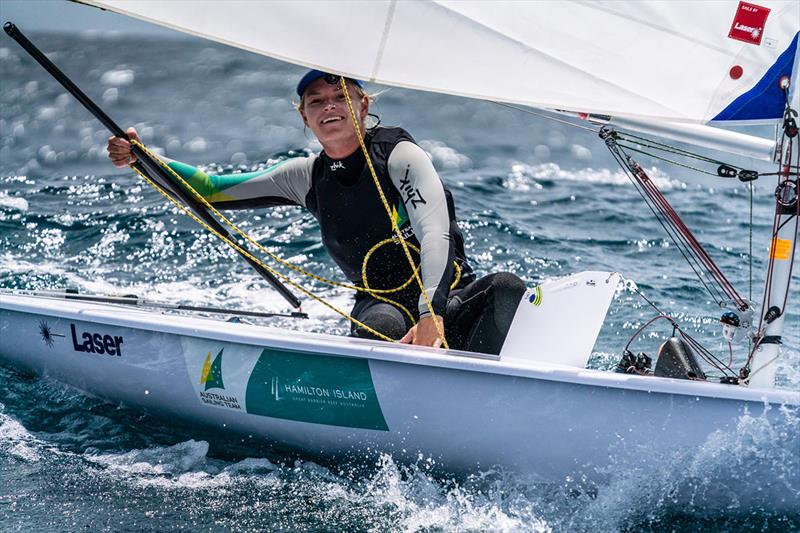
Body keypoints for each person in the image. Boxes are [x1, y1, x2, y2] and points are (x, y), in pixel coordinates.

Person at [107, 70, 525, 354]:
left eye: (340, 95)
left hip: (444, 300)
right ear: (304, 117)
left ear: (363, 104)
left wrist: (431, 314)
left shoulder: (400, 155)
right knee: (383, 325)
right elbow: (210, 190)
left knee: (505, 287)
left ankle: (483, 387)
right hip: (383, 308)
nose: (329, 107)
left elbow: (435, 233)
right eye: (316, 101)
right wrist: (142, 158)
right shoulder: (306, 177)